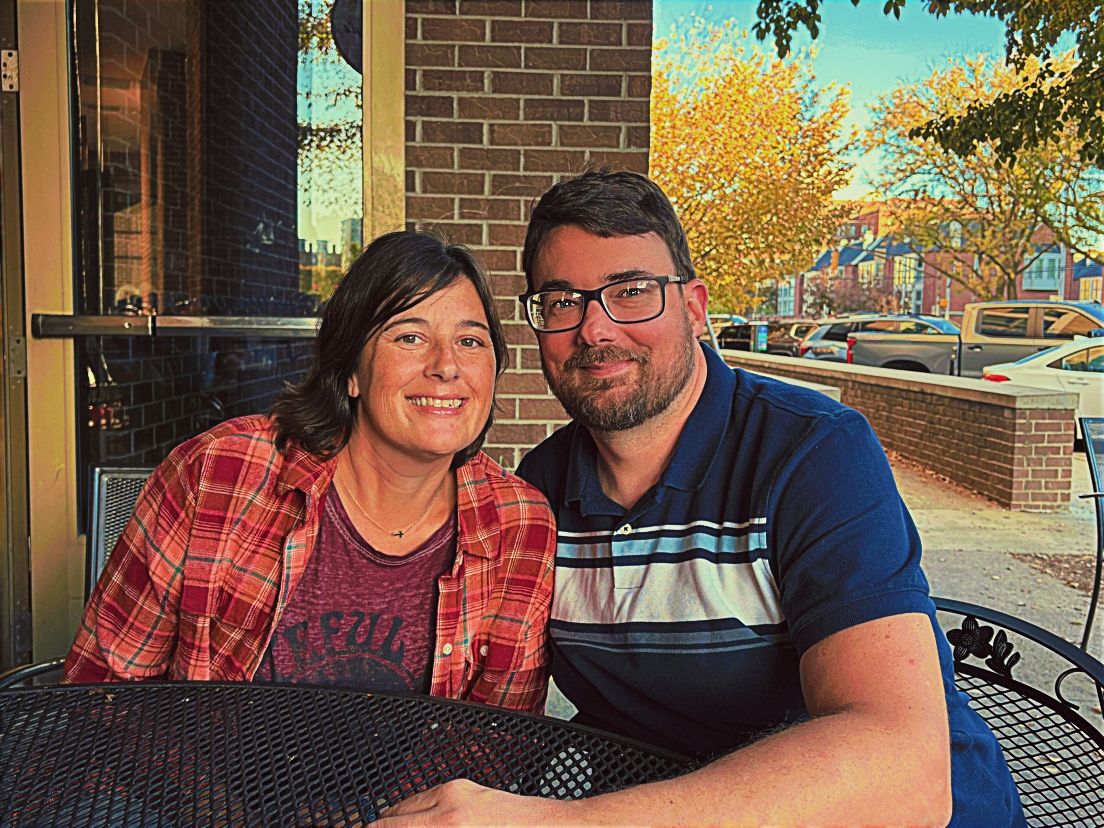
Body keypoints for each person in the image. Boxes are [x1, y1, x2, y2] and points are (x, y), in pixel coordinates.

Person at [379, 171, 1024, 825]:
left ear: (693, 308)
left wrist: (557, 823)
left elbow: (904, 771)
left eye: (632, 292)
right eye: (562, 300)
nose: (595, 329)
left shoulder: (812, 452)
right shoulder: (540, 488)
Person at [64, 230, 556, 713]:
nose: (447, 366)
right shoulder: (219, 473)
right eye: (410, 337)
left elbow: (499, 737)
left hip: (420, 774)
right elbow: (103, 695)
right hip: (209, 768)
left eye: (470, 341)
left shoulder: (519, 524)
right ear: (351, 370)